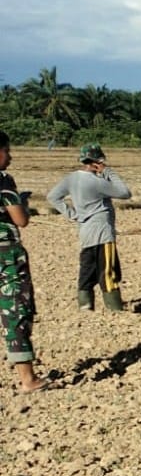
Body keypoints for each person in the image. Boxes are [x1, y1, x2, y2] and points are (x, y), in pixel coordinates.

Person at [47, 144, 133, 312]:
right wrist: (108, 172)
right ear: (97, 161)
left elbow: (53, 197)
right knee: (107, 271)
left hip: (85, 232)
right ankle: (115, 308)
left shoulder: (71, 178)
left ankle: (85, 308)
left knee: (87, 270)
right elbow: (125, 193)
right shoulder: (97, 182)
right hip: (102, 232)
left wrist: (72, 214)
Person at [0, 131, 48, 392]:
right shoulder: (4, 181)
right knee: (15, 309)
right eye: (7, 150)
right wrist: (23, 203)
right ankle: (28, 379)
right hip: (5, 253)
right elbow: (21, 219)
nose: (10, 156)